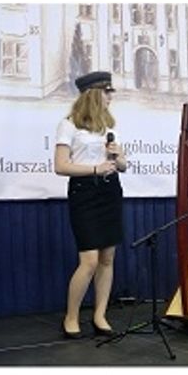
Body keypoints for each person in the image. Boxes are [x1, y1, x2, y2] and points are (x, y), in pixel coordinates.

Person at [53, 71, 126, 338]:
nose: (110, 97)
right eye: (107, 92)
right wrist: (95, 168)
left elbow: (123, 166)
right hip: (84, 193)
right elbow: (61, 166)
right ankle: (71, 316)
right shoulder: (69, 125)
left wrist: (118, 158)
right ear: (94, 94)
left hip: (110, 192)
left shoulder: (110, 127)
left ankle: (100, 314)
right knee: (89, 261)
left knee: (108, 258)